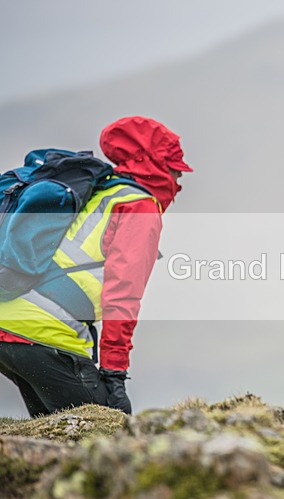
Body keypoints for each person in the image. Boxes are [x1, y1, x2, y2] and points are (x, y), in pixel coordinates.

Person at [0, 116, 192, 416]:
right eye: (176, 170)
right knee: (108, 433)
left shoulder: (99, 190)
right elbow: (123, 295)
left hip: (8, 322)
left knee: (57, 441)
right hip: (45, 331)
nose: (179, 182)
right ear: (157, 167)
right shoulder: (138, 205)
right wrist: (115, 374)